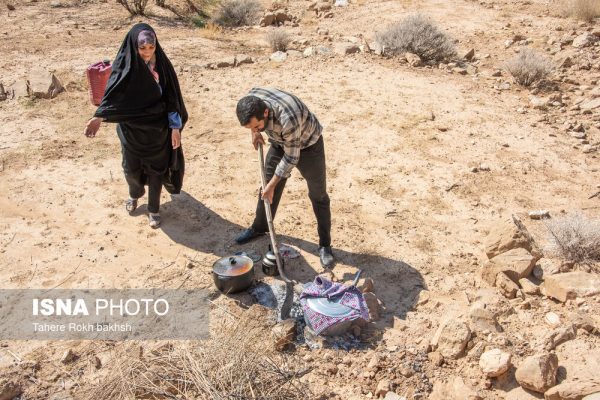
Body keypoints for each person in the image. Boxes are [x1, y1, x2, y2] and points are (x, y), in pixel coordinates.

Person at [83, 23, 188, 229]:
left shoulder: (162, 67)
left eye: (151, 47)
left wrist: (175, 128)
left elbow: (172, 99)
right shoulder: (125, 67)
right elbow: (113, 98)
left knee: (157, 171)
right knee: (131, 169)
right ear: (134, 47)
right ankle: (135, 194)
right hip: (131, 132)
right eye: (142, 48)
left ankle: (154, 208)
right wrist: (99, 118)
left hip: (158, 133)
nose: (147, 53)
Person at [235, 88, 334, 268]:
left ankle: (325, 245)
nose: (255, 130)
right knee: (266, 189)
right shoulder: (254, 99)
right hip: (280, 143)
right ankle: (260, 227)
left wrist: (274, 184)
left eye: (257, 126)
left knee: (318, 194)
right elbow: (255, 123)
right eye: (250, 127)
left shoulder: (288, 117)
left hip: (308, 146)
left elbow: (291, 158)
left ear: (265, 112)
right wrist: (255, 132)